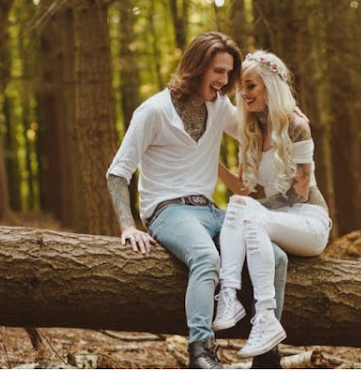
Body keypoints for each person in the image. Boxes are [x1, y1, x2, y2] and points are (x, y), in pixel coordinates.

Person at [106, 33, 288, 369]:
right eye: (217, 71)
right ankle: (201, 351)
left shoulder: (218, 107)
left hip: (210, 210)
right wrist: (127, 225)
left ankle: (266, 354)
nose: (222, 81)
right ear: (196, 67)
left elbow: (253, 132)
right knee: (206, 257)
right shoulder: (154, 111)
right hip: (167, 211)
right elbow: (118, 172)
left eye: (227, 74)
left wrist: (279, 107)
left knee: (275, 257)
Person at [213, 50, 332, 360]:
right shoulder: (251, 129)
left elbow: (300, 193)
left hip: (308, 221)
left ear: (270, 86)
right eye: (241, 86)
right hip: (272, 221)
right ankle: (235, 299)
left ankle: (253, 310)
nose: (243, 93)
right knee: (241, 207)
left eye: (250, 86)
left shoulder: (295, 125)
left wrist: (254, 208)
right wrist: (212, 164)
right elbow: (244, 191)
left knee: (249, 215)